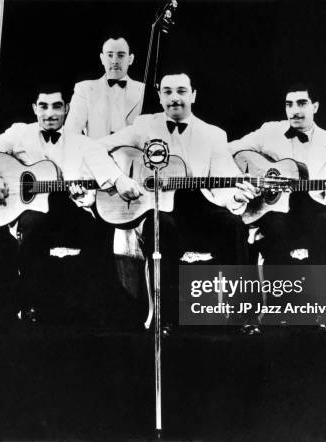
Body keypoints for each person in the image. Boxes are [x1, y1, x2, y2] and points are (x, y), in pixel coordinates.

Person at [0, 84, 141, 325]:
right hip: (30, 211)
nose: (50, 113)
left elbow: (105, 167)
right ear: (35, 108)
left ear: (67, 109)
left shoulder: (84, 143)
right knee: (34, 226)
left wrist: (118, 182)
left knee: (100, 226)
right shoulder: (19, 134)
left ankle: (92, 306)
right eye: (44, 106)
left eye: (57, 106)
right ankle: (30, 304)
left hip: (67, 209)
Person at [100, 73, 256, 323]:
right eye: (168, 91)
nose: (174, 98)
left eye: (181, 91)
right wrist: (118, 179)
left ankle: (241, 316)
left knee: (234, 227)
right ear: (160, 96)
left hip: (199, 208)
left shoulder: (213, 134)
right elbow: (94, 148)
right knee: (159, 228)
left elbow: (226, 180)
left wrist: (238, 195)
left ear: (193, 95)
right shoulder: (144, 126)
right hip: (160, 208)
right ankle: (166, 319)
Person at [228, 82, 326, 265]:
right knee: (275, 228)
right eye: (289, 104)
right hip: (275, 211)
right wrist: (241, 178)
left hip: (314, 211)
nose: (294, 110)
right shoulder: (270, 131)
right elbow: (228, 150)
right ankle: (281, 292)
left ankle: (320, 291)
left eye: (301, 103)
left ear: (315, 106)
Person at [65, 36, 145, 138]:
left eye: (121, 55)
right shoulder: (84, 89)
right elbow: (71, 132)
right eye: (110, 55)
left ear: (130, 59)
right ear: (102, 59)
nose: (115, 61)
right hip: (95, 152)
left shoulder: (144, 90)